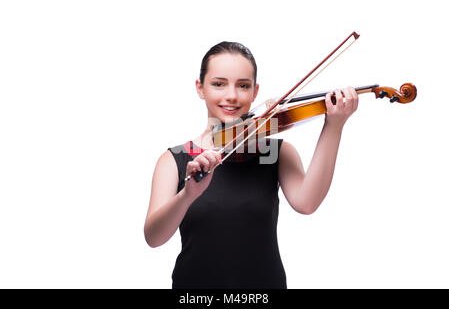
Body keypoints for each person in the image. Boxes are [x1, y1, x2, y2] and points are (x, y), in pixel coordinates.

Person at [144, 41, 358, 288]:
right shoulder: (176, 158)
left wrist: (334, 125)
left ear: (255, 92)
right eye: (218, 84)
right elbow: (153, 237)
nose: (232, 96)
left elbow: (307, 203)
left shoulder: (273, 153)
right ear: (200, 88)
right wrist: (187, 194)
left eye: (243, 86)